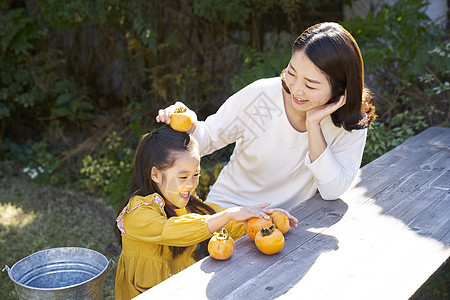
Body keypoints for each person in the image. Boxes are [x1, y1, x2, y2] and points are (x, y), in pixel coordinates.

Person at [156, 22, 376, 210]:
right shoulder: (263, 96)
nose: (296, 90)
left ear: (340, 89)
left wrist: (313, 125)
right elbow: (207, 138)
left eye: (310, 85)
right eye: (292, 72)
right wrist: (189, 123)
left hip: (281, 229)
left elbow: (332, 190)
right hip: (227, 212)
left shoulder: (350, 123)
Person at [114, 126, 295, 299]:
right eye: (183, 177)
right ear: (155, 174)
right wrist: (227, 215)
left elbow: (221, 220)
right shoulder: (136, 212)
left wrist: (263, 219)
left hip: (184, 290)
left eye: (196, 175)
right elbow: (168, 230)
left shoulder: (189, 205)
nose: (191, 184)